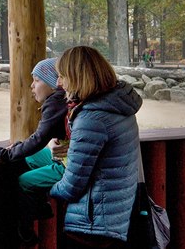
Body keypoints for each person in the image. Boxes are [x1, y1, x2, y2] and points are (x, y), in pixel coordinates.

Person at [50, 46, 143, 249]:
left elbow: (72, 186)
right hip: (115, 214)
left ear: (77, 77)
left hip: (92, 224)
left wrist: (50, 189)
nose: (58, 83)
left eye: (62, 76)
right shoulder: (118, 104)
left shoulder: (91, 118)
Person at [0, 58, 68, 245]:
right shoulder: (61, 101)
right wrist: (18, 147)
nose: (32, 86)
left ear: (51, 82)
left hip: (68, 165)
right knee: (31, 156)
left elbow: (39, 139)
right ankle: (41, 205)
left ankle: (25, 231)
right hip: (64, 155)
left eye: (37, 80)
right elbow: (38, 141)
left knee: (24, 181)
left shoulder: (56, 102)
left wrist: (8, 153)